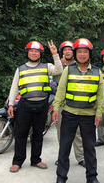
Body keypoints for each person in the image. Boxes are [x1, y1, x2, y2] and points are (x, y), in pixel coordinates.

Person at [51, 38, 104, 183]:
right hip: (69, 114)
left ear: (89, 54)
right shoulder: (68, 69)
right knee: (64, 147)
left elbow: (100, 95)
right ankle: (61, 178)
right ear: (75, 54)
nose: (82, 54)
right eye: (79, 51)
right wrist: (56, 108)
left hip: (88, 115)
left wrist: (99, 113)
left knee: (89, 147)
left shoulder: (97, 71)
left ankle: (92, 177)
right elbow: (61, 90)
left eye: (85, 52)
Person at [8, 40, 63, 173]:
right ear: (27, 53)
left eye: (36, 51)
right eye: (31, 51)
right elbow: (14, 87)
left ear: (41, 53)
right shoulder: (20, 68)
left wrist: (55, 55)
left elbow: (59, 70)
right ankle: (17, 162)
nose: (34, 53)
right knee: (21, 134)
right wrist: (11, 104)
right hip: (24, 104)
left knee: (38, 133)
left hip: (42, 104)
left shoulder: (46, 66)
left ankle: (36, 160)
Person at [54, 41, 85, 167]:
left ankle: (81, 157)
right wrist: (59, 67)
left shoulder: (80, 65)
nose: (67, 52)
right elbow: (56, 81)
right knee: (61, 130)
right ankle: (62, 156)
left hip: (76, 102)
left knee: (77, 132)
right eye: (65, 50)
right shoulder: (58, 65)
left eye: (70, 50)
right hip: (62, 102)